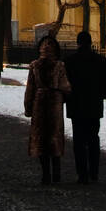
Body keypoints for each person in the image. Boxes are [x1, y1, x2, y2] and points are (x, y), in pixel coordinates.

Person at [64, 31, 106, 184]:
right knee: (93, 139)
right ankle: (94, 172)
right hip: (94, 106)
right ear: (90, 43)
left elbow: (65, 84)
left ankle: (82, 173)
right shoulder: (100, 60)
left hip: (76, 106)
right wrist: (100, 96)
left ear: (78, 43)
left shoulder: (70, 61)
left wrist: (69, 98)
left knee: (78, 141)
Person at [24, 35, 71, 185]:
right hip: (55, 102)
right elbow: (66, 87)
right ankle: (56, 174)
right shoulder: (59, 66)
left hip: (39, 102)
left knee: (40, 138)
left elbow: (29, 89)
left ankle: (45, 174)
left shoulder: (35, 66)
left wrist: (28, 107)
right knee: (55, 137)